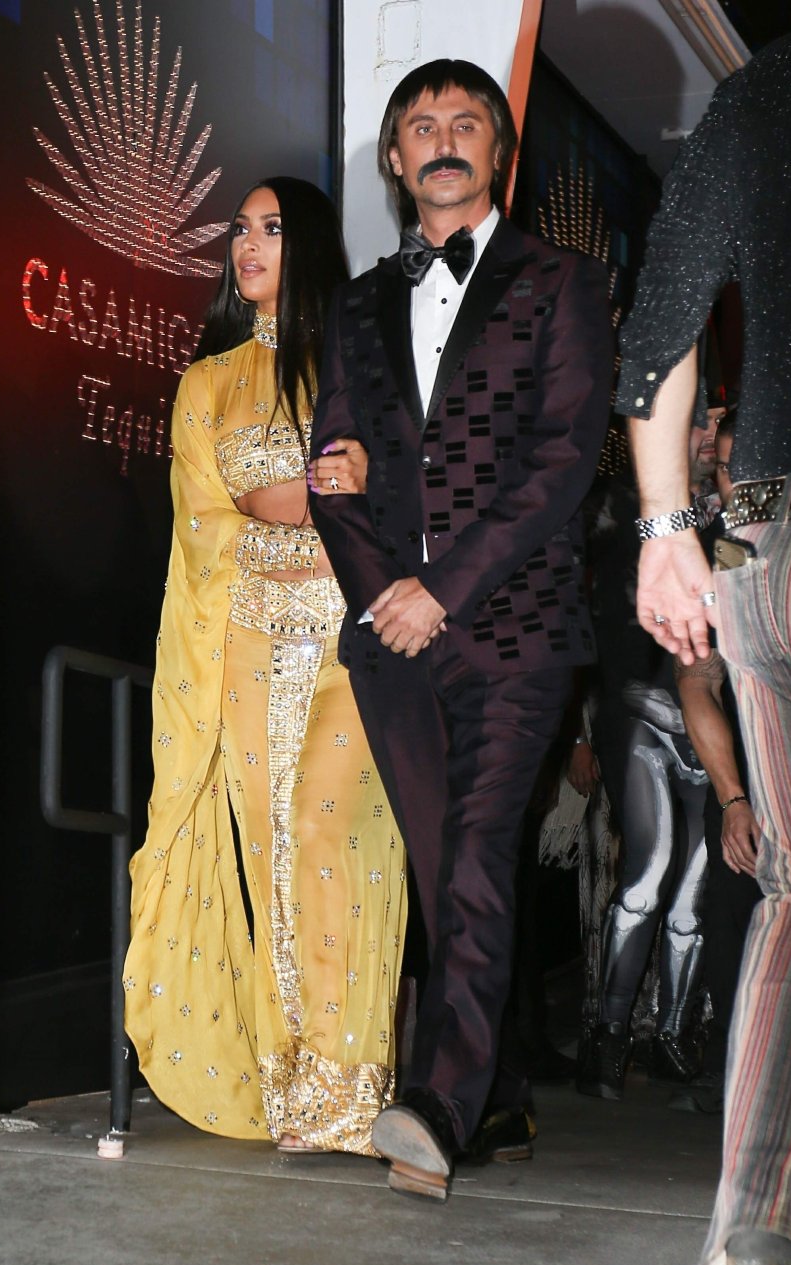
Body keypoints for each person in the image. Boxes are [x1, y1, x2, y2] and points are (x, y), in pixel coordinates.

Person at [309, 59, 614, 1199]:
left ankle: (435, 1103)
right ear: (396, 159)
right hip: (393, 634)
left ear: (498, 152)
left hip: (515, 624)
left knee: (480, 848)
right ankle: (498, 1088)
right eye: (422, 125)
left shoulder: (563, 281)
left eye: (465, 123)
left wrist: (443, 585)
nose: (443, 139)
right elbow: (332, 467)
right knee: (446, 869)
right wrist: (385, 590)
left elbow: (561, 461)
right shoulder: (352, 305)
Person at [617, 17, 791, 1265]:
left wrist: (664, 531)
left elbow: (661, 323)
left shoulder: (768, 94)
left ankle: (762, 1230)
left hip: (776, 556)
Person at [124, 177, 407, 1156]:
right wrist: (301, 506)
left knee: (332, 831)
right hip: (247, 641)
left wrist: (317, 501)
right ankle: (291, 1085)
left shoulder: (364, 364)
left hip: (349, 640)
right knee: (270, 855)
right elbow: (204, 521)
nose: (247, 245)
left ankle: (349, 1088)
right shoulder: (207, 383)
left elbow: (391, 493)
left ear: (310, 243)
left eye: (272, 228)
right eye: (239, 229)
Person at [576, 408, 717, 1103]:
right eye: (696, 420)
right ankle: (607, 1037)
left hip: (715, 725)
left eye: (715, 422)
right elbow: (590, 613)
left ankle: (673, 1033)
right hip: (640, 711)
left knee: (695, 891)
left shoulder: (735, 506)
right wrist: (582, 729)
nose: (706, 435)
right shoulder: (619, 504)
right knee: (649, 871)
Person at [671, 417, 763, 1116]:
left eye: (749, 464)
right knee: (734, 926)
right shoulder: (724, 556)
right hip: (747, 776)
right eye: (727, 467)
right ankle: (744, 1089)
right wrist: (733, 799)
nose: (737, 482)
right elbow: (697, 683)